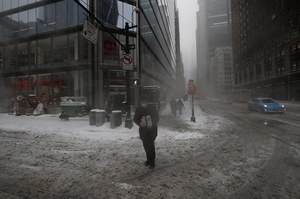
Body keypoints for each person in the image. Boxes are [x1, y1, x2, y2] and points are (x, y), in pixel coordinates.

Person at [134, 97, 159, 169]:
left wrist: (152, 123)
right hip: (143, 131)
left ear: (147, 102)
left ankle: (152, 162)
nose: (143, 103)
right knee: (145, 145)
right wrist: (140, 123)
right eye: (142, 102)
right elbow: (135, 118)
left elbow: (157, 118)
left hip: (152, 130)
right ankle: (148, 159)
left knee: (151, 146)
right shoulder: (139, 109)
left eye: (145, 102)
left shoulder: (152, 108)